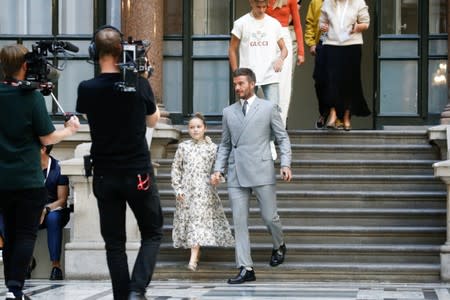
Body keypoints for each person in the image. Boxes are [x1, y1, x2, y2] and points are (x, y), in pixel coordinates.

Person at [76, 25, 163, 300]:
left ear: (95, 53)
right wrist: (141, 78)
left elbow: (91, 118)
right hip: (137, 172)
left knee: (114, 244)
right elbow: (153, 120)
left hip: (104, 174)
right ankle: (137, 289)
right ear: (121, 51)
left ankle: (122, 297)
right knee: (152, 231)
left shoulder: (86, 88)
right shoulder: (139, 84)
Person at [0, 44, 80, 300]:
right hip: (27, 179)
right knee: (25, 234)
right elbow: (47, 137)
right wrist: (70, 130)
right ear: (26, 66)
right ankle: (15, 289)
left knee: (9, 234)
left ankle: (13, 290)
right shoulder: (32, 98)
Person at [211, 68, 292, 284]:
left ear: (252, 84)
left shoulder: (268, 108)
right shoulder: (228, 112)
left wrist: (285, 163)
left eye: (241, 84)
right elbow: (225, 144)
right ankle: (246, 268)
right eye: (235, 84)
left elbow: (282, 138)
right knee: (239, 222)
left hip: (262, 169)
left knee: (269, 217)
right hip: (236, 172)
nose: (237, 88)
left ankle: (279, 244)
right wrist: (218, 169)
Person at [171, 113, 234, 272]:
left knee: (197, 224)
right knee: (191, 223)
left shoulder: (212, 148)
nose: (195, 130)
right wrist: (178, 188)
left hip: (204, 192)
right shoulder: (183, 147)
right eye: (192, 127)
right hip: (187, 192)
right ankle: (196, 253)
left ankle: (193, 259)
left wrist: (217, 177)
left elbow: (219, 170)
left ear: (205, 128)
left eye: (198, 127)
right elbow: (176, 169)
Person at [319, 0, 371, 131]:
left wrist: (357, 28)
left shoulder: (358, 2)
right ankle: (333, 113)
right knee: (331, 81)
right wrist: (323, 26)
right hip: (331, 44)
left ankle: (347, 117)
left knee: (349, 82)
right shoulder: (327, 3)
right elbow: (322, 22)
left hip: (352, 45)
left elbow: (366, 23)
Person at [228, 0, 288, 106]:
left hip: (270, 75)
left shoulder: (274, 24)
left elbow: (284, 49)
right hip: (247, 75)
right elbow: (232, 49)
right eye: (258, 7)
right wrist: (236, 73)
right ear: (251, 3)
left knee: (274, 112)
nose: (261, 10)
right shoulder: (241, 23)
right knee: (247, 113)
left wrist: (281, 59)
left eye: (264, 7)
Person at [266, 0, 305, 126]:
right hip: (267, 37)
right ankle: (267, 122)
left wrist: (301, 52)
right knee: (266, 80)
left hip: (284, 35)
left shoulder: (290, 0)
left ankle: (281, 123)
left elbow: (297, 25)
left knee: (284, 84)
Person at [37, 144, 71, 280]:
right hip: (34, 209)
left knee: (53, 218)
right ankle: (26, 262)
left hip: (54, 210)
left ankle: (56, 266)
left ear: (43, 149)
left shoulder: (58, 168)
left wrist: (45, 209)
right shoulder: (28, 168)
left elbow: (62, 200)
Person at [305, 0, 329, 129]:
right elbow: (309, 23)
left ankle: (337, 116)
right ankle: (324, 112)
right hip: (322, 44)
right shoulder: (315, 2)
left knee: (337, 80)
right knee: (319, 80)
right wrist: (311, 43)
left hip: (340, 44)